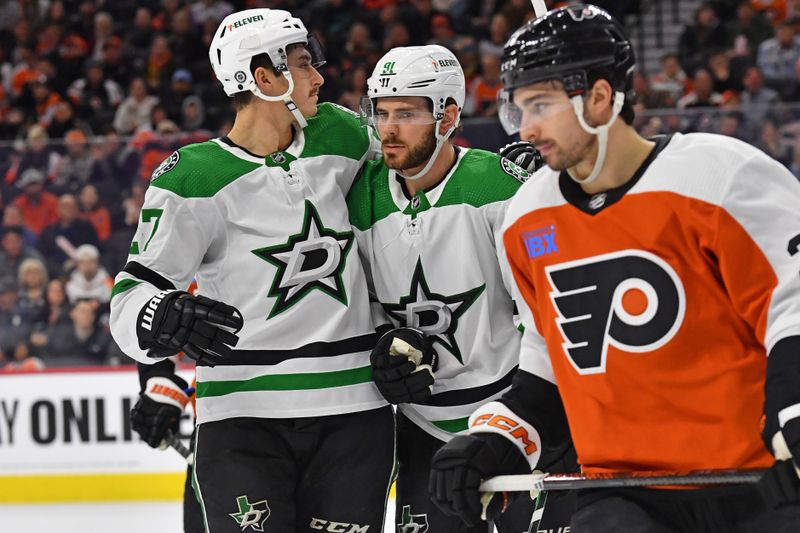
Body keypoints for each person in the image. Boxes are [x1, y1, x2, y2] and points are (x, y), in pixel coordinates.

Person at [429, 5, 800, 532]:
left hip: (758, 485)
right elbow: (552, 355)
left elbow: (792, 305)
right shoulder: (527, 217)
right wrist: (499, 435)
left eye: (541, 105)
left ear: (600, 97)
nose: (526, 128)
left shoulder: (723, 178)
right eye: (518, 108)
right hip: (622, 494)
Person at [109, 8, 394, 533]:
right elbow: (131, 295)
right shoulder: (193, 177)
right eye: (304, 64)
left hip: (355, 411)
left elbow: (420, 180)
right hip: (243, 419)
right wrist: (158, 314)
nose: (319, 76)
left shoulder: (344, 134)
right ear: (265, 78)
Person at [350, 44, 573, 533]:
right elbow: (354, 301)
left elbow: (552, 302)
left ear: (449, 115)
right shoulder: (358, 194)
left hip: (518, 422)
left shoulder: (503, 188)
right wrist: (380, 347)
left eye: (407, 114)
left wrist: (553, 195)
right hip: (424, 429)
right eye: (381, 113)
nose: (388, 129)